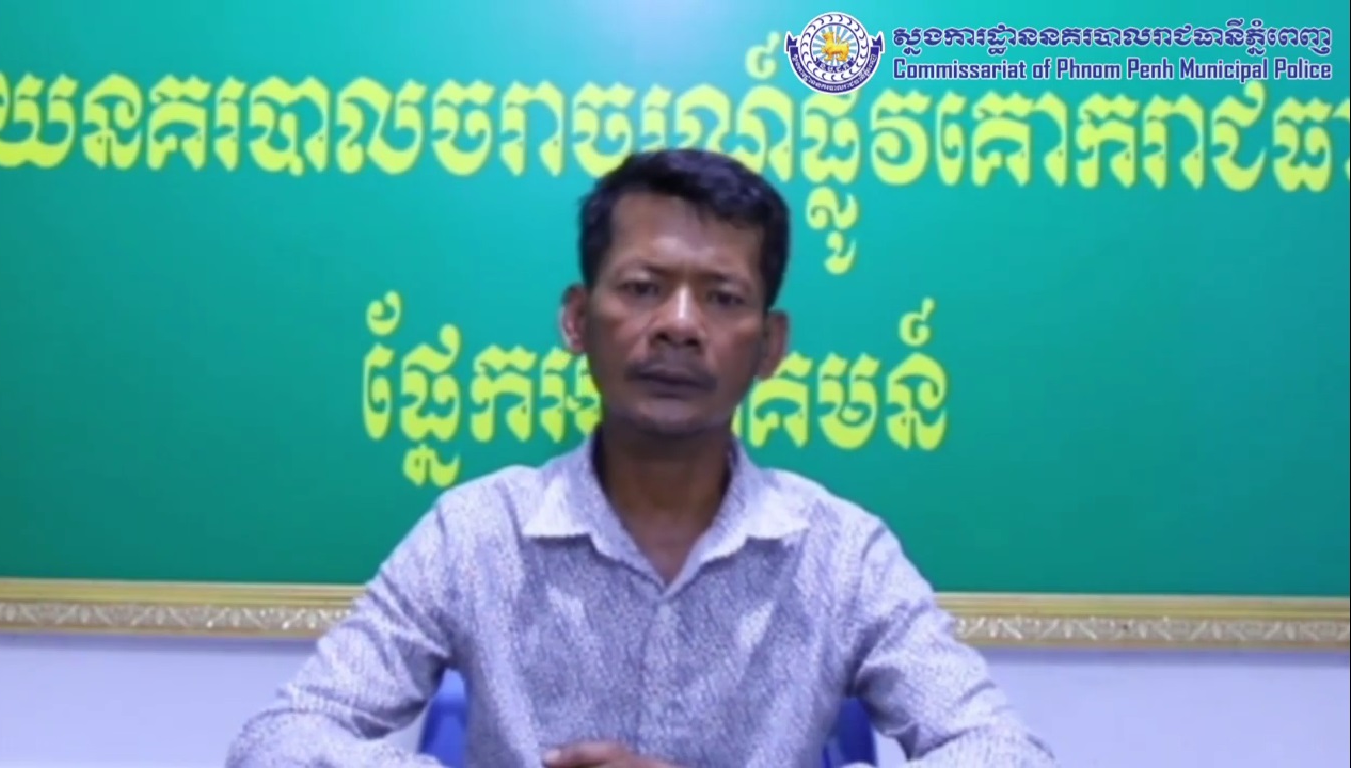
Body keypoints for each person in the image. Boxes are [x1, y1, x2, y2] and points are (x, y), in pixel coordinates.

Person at [226, 148, 1056, 768]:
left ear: (770, 345)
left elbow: (1001, 752)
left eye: (722, 298)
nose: (679, 325)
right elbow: (278, 741)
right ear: (577, 320)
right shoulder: (476, 533)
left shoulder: (841, 555)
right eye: (642, 288)